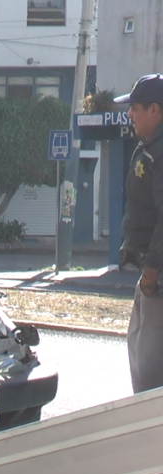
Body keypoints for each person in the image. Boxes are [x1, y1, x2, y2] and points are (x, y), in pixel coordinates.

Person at [114, 74, 163, 393]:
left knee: (150, 371)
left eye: (135, 108)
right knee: (137, 345)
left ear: (155, 110)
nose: (129, 114)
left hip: (157, 276)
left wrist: (152, 270)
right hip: (149, 272)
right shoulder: (148, 147)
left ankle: (150, 437)